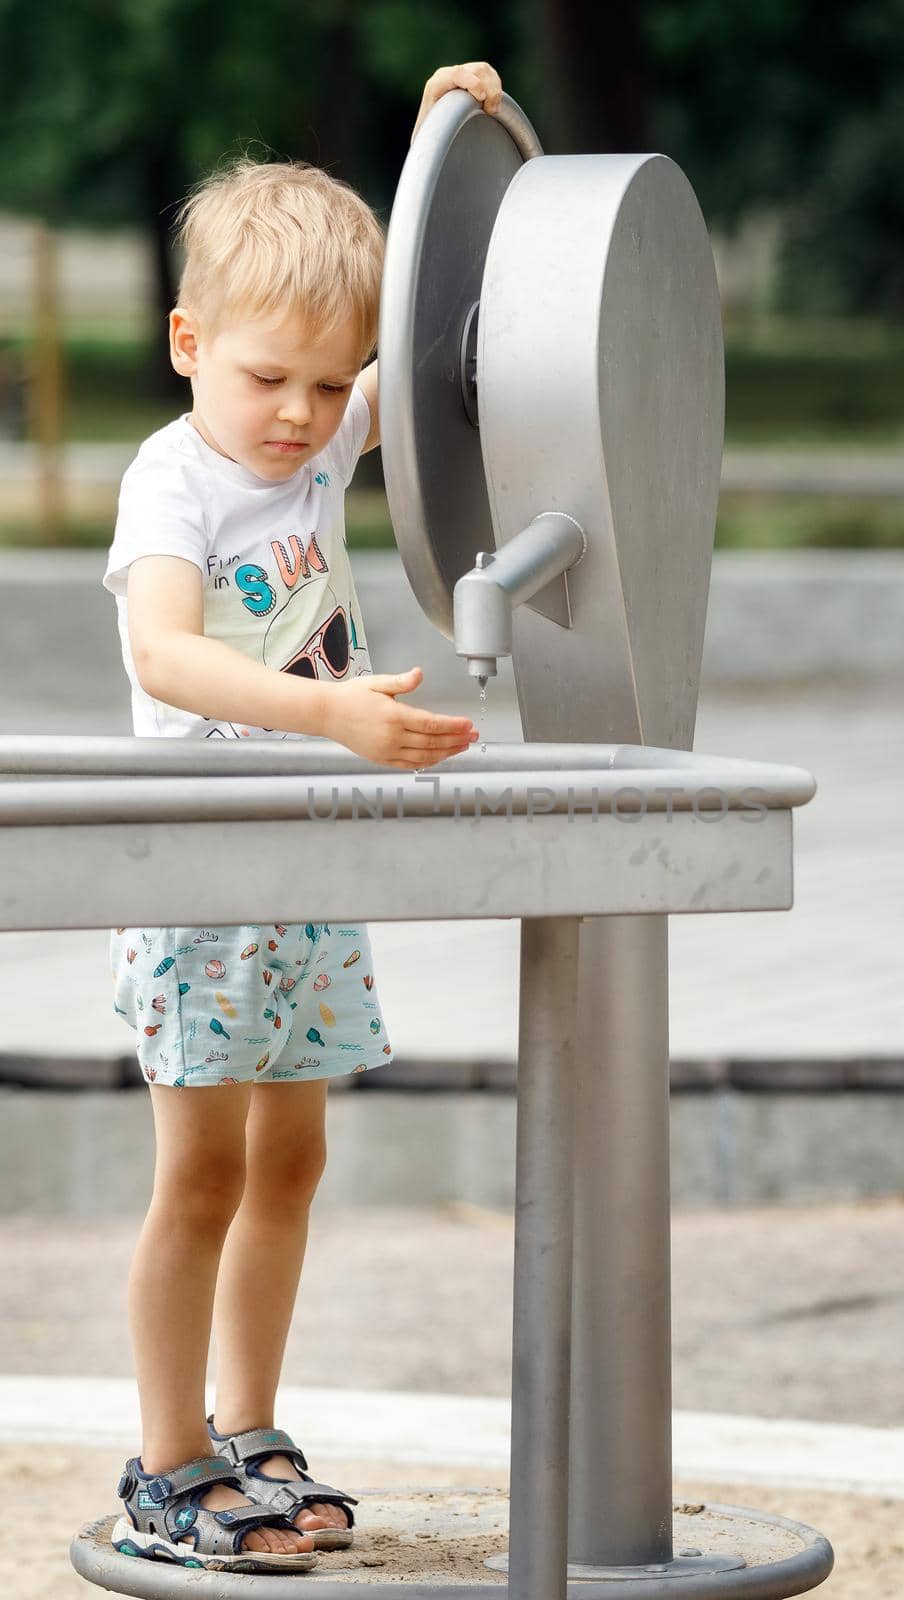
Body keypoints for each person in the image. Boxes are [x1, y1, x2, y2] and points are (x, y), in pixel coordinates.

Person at [102, 62, 503, 1575]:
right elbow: (166, 652)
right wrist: (331, 710)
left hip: (308, 869)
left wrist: (435, 150)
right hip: (207, 869)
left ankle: (251, 1428)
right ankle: (167, 1460)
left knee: (290, 1167)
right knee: (197, 1176)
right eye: (270, 377)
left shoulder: (322, 441)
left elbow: (405, 340)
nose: (305, 415)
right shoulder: (176, 483)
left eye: (327, 389)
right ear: (190, 345)